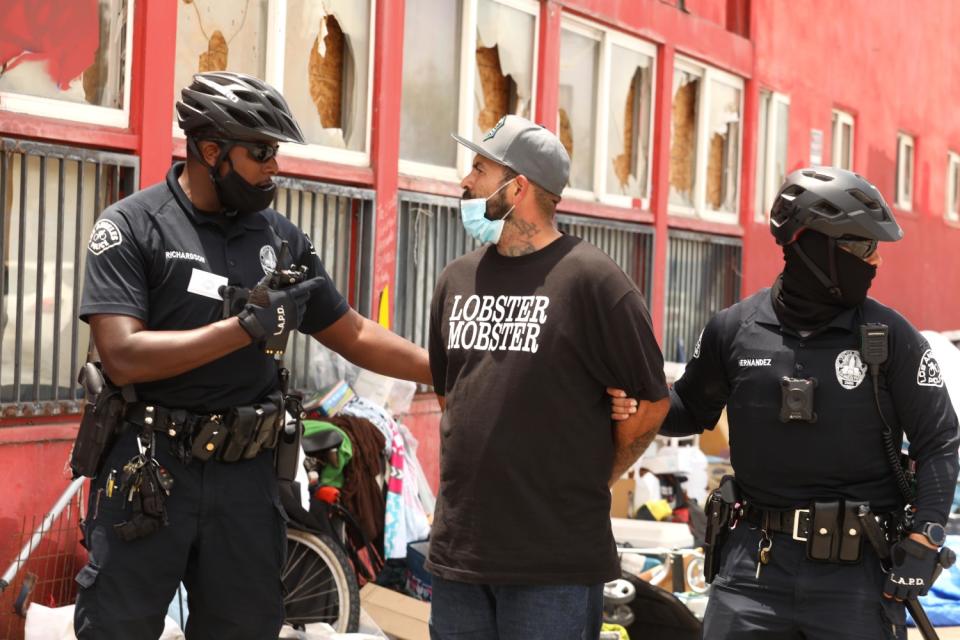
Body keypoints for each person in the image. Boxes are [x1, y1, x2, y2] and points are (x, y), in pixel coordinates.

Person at [73, 71, 433, 639]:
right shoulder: (131, 227)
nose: (274, 166)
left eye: (276, 152)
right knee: (119, 628)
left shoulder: (283, 239)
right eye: (261, 152)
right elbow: (122, 355)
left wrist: (450, 366)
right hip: (150, 469)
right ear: (210, 150)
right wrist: (245, 327)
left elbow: (355, 333)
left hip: (245, 477)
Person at [637, 167, 959, 639]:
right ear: (814, 246)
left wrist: (926, 534)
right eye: (864, 247)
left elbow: (940, 440)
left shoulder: (892, 337)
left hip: (858, 577)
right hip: (753, 571)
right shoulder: (733, 329)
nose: (876, 262)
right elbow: (685, 408)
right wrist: (625, 395)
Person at [426, 115, 670, 640]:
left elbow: (650, 401)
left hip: (552, 565)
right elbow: (454, 396)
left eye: (479, 169)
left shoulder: (594, 282)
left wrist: (595, 476)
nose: (465, 182)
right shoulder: (456, 278)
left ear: (518, 188)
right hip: (460, 557)